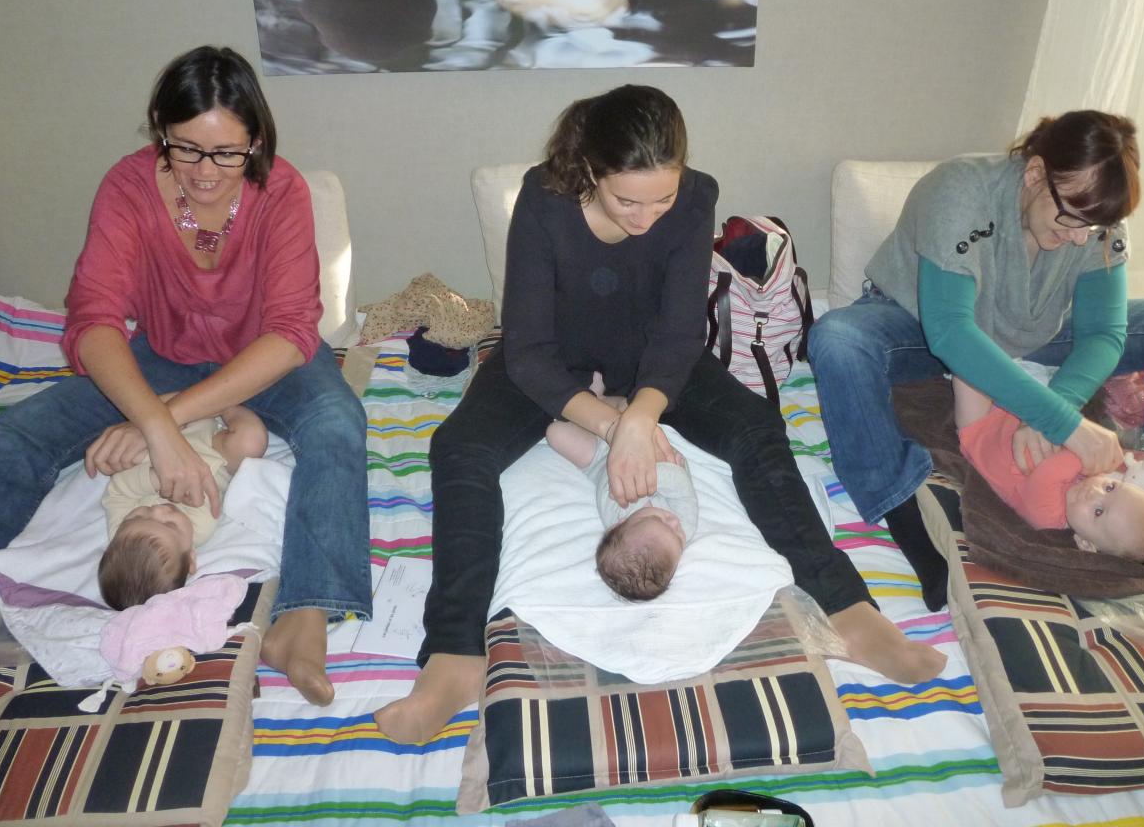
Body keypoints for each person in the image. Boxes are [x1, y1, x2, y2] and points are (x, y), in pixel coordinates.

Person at [374, 84, 945, 745]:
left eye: (662, 198)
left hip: (652, 360)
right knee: (458, 449)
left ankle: (847, 608)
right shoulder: (545, 197)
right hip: (553, 361)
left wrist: (643, 416)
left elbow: (679, 337)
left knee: (757, 425)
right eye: (626, 200)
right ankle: (454, 655)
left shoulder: (697, 196)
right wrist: (613, 427)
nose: (646, 218)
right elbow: (526, 351)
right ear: (590, 169)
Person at [0, 46, 372, 705]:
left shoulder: (282, 191)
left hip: (265, 359)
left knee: (337, 425)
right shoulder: (128, 188)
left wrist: (176, 415)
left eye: (228, 153)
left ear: (255, 141)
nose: (207, 172)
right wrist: (155, 423)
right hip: (161, 356)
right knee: (17, 434)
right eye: (186, 149)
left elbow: (291, 334)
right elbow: (94, 322)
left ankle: (304, 616)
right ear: (160, 128)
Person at [807, 110, 1144, 609]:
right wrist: (1065, 424)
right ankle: (901, 512)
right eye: (1071, 220)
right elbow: (951, 331)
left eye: (1096, 226)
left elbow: (1104, 332)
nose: (1083, 238)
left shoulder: (1094, 216)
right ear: (1035, 173)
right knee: (836, 340)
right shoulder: (961, 192)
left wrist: (1056, 408)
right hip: (918, 327)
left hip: (1033, 333)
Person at [952, 377, 1144, 563]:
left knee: (964, 365)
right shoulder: (1084, 480)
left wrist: (1088, 454)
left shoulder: (1049, 517)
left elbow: (1048, 472)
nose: (1095, 493)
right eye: (1110, 488)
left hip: (980, 428)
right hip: (1015, 413)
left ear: (1086, 543)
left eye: (1098, 511)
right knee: (994, 350)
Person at [99, 402, 269, 610]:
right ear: (191, 559)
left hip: (155, 445)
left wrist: (157, 478)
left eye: (140, 517)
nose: (159, 510)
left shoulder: (121, 535)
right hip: (209, 448)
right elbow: (200, 489)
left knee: (116, 457)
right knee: (251, 441)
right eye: (170, 525)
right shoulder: (200, 528)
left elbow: (118, 491)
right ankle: (224, 405)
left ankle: (180, 405)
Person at [545, 373, 696, 601]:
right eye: (677, 535)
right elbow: (682, 489)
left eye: (661, 521)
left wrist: (645, 477)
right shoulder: (687, 526)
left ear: (619, 524)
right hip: (653, 451)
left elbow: (614, 483)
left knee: (555, 433)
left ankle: (592, 402)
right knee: (630, 410)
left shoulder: (619, 512)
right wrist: (658, 472)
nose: (675, 523)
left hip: (601, 461)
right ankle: (599, 402)